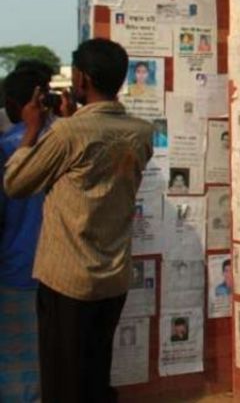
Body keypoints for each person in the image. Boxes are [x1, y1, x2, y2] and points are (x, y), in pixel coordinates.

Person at [3, 39, 153, 401]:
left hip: (67, 279)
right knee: (95, 371)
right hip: (112, 277)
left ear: (81, 79)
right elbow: (93, 168)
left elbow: (15, 183)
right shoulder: (142, 132)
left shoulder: (67, 134)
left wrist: (30, 129)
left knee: (62, 380)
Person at [0, 64, 54, 402]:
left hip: (16, 269)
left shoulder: (7, 145)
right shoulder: (67, 138)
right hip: (59, 271)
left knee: (15, 365)